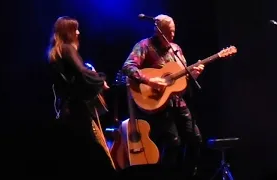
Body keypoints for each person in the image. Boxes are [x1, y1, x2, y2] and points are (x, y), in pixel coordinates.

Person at [122, 14, 204, 178]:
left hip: (178, 102)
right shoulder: (144, 46)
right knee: (173, 144)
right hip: (158, 105)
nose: (171, 36)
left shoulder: (176, 49)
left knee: (196, 140)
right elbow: (128, 66)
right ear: (157, 31)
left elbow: (182, 77)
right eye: (167, 32)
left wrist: (192, 75)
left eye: (173, 32)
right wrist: (150, 81)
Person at [47, 16, 115, 177]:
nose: (78, 32)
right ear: (68, 32)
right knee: (98, 151)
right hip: (78, 111)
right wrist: (101, 80)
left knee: (77, 155)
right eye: (75, 29)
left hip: (65, 111)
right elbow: (83, 73)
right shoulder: (67, 49)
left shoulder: (54, 53)